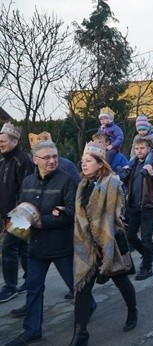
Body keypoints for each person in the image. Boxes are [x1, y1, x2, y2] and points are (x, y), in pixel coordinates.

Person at [5, 139, 77, 346]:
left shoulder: (66, 181)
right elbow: (23, 208)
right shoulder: (27, 181)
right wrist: (14, 226)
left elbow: (71, 212)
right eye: (46, 157)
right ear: (35, 160)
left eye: (55, 156)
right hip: (35, 248)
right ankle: (32, 332)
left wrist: (41, 222)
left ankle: (88, 306)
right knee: (34, 289)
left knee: (76, 286)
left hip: (61, 247)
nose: (52, 161)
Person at [69, 141, 138, 345]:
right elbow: (80, 218)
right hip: (88, 246)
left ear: (100, 163)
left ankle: (132, 311)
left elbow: (113, 217)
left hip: (111, 243)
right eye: (82, 161)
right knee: (82, 289)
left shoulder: (113, 184)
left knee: (121, 281)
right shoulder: (82, 185)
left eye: (88, 161)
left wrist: (102, 243)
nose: (83, 164)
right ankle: (80, 333)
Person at [122, 138, 153, 280]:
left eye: (142, 148)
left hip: (149, 204)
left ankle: (146, 267)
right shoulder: (133, 164)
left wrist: (152, 174)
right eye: (137, 148)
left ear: (149, 148)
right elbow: (129, 183)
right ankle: (148, 253)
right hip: (134, 204)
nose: (139, 151)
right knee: (130, 235)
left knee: (146, 237)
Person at [0, 123, 33, 304]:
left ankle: (10, 287)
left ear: (14, 141)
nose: (0, 144)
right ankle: (30, 280)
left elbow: (25, 190)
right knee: (22, 248)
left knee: (8, 248)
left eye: (3, 141)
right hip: (7, 214)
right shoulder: (4, 162)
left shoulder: (23, 160)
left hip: (20, 213)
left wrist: (18, 214)